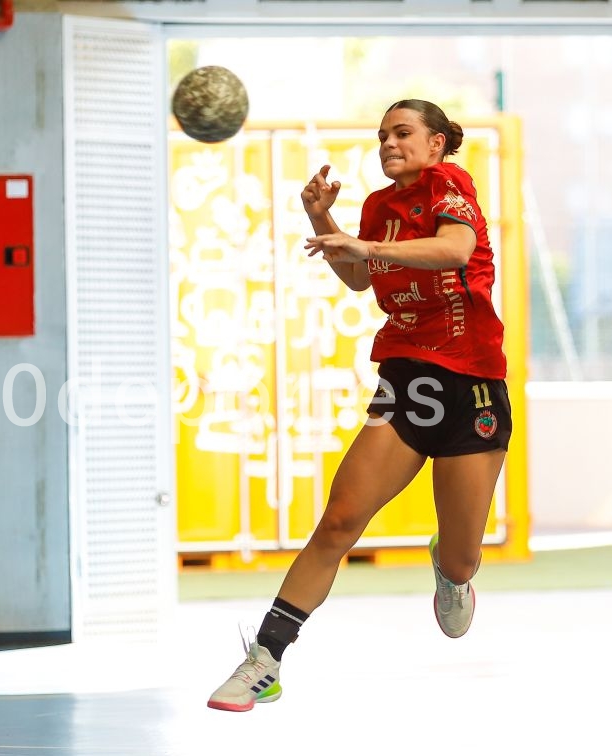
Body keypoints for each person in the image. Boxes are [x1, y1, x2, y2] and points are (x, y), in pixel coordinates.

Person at [207, 99, 511, 712]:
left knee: (462, 557)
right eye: (382, 136)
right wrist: (324, 218)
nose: (389, 144)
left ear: (436, 144)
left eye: (403, 133)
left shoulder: (449, 184)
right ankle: (264, 661)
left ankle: (451, 571)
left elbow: (454, 250)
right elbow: (359, 278)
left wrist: (363, 244)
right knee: (340, 520)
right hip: (407, 381)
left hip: (473, 384)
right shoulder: (377, 208)